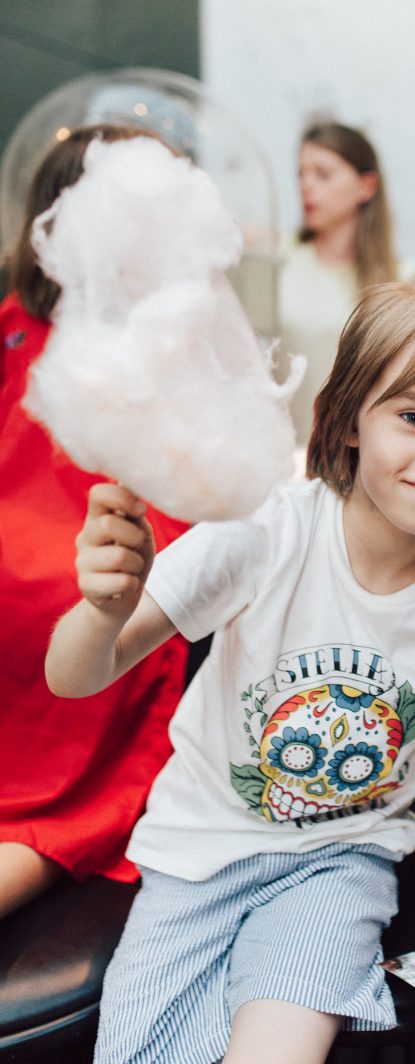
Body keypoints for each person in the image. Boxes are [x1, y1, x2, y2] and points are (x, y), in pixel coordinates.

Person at [46, 282, 415, 1064]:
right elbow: (74, 678)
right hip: (193, 856)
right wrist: (103, 608)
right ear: (348, 417)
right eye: (414, 416)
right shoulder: (264, 531)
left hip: (337, 862)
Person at [0, 124, 189, 917]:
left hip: (64, 577)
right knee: (50, 812)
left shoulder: (14, 318)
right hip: (85, 582)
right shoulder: (153, 341)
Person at [279, 121, 415, 444]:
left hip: (355, 460)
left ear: (366, 187)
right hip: (280, 456)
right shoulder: (279, 258)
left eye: (323, 174)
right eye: (301, 174)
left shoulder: (402, 279)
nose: (306, 186)